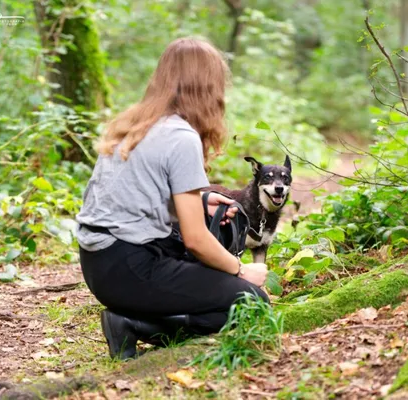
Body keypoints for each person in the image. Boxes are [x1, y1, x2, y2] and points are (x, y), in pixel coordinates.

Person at [76, 37, 269, 360]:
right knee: (252, 303)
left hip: (99, 263)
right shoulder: (181, 137)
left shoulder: (137, 122)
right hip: (129, 266)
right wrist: (241, 270)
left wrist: (199, 201)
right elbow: (195, 239)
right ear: (207, 88)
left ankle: (134, 318)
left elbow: (133, 195)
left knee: (215, 233)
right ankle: (134, 325)